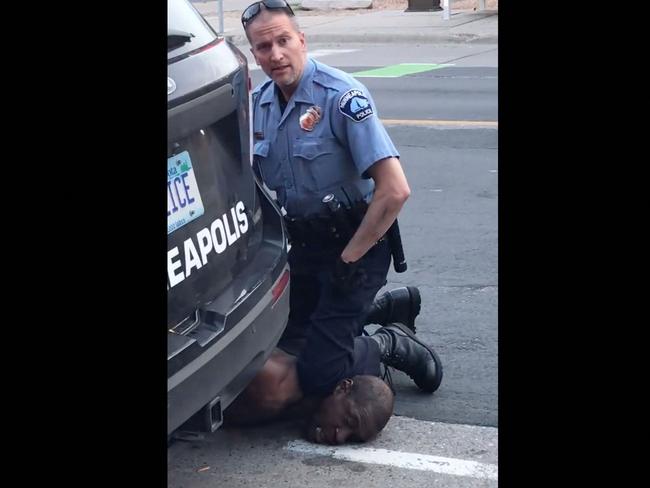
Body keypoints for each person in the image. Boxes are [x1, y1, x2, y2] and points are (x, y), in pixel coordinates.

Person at [230, 0, 444, 442]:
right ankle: (377, 308)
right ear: (254, 53)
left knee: (317, 371)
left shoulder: (341, 97)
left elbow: (395, 190)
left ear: (302, 40)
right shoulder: (259, 107)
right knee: (282, 346)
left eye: (283, 40)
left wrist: (350, 259)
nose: (275, 54)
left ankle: (387, 341)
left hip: (357, 247)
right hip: (303, 249)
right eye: (263, 46)